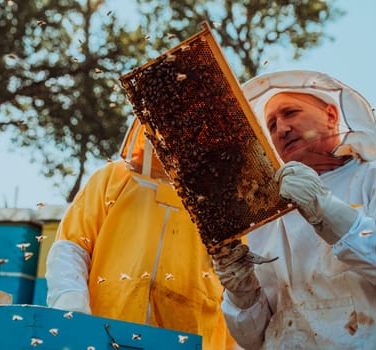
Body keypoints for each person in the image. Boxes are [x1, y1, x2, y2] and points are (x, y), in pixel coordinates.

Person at [212, 70, 376, 349]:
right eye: (271, 125)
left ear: (332, 116)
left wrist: (327, 211)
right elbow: (252, 339)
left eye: (291, 112)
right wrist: (242, 294)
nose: (281, 129)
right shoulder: (267, 219)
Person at [45, 118, 238, 350]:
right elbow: (71, 248)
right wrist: (73, 309)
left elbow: (236, 292)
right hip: (106, 337)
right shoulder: (111, 179)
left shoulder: (220, 208)